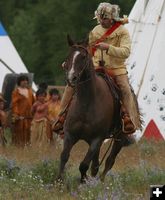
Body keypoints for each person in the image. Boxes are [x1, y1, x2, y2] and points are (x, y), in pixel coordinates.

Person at [53, 2, 141, 134]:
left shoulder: (122, 32)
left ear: (112, 18)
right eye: (100, 18)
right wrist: (71, 63)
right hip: (95, 67)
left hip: (116, 68)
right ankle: (61, 118)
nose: (101, 21)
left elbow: (126, 52)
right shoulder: (95, 31)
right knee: (70, 86)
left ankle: (129, 120)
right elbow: (85, 51)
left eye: (104, 18)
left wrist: (108, 48)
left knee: (125, 88)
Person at [11, 75, 35, 146]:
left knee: (28, 131)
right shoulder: (16, 92)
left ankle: (27, 146)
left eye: (26, 80)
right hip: (20, 116)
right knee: (19, 131)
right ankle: (19, 146)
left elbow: (34, 102)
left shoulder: (30, 91)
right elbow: (14, 104)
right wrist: (16, 114)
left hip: (29, 116)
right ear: (19, 82)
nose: (25, 82)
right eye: (23, 80)